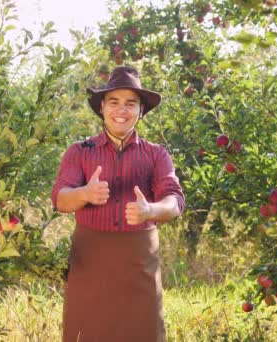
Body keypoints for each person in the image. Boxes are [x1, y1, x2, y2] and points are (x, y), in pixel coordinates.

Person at [51, 66, 185, 342]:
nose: (121, 110)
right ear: (102, 107)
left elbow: (175, 200)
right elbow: (61, 199)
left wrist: (150, 210)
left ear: (140, 110)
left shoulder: (156, 154)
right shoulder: (79, 152)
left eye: (130, 104)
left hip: (140, 263)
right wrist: (85, 194)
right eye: (114, 102)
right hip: (90, 263)